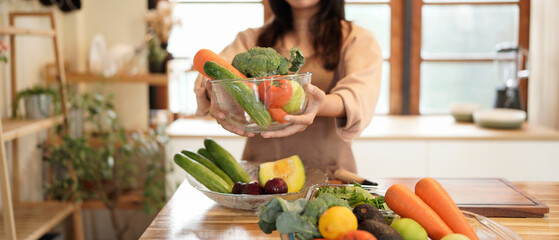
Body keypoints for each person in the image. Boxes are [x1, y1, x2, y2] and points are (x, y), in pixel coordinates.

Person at [194, 0, 382, 178]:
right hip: (260, 173)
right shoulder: (251, 38)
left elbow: (359, 96)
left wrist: (313, 104)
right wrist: (216, 94)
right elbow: (213, 75)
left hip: (329, 173)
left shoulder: (356, 39)